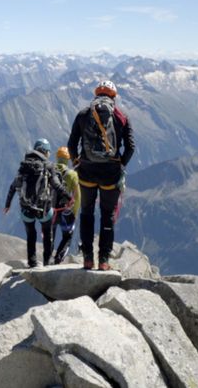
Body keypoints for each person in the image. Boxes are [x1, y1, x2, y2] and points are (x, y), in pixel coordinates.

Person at [67, 80, 135, 270]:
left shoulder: (84, 114)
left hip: (86, 173)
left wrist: (77, 162)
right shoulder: (122, 117)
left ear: (96, 95)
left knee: (87, 214)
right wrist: (120, 164)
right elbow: (131, 147)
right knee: (107, 216)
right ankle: (104, 260)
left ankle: (88, 258)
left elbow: (71, 144)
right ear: (114, 97)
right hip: (110, 176)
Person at [4, 138, 71, 268]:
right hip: (44, 208)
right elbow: (57, 185)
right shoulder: (49, 166)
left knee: (31, 234)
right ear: (45, 151)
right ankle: (47, 262)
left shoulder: (23, 166)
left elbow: (13, 187)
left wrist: (7, 205)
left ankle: (32, 261)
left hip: (26, 208)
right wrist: (69, 197)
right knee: (47, 233)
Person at [52, 146, 80, 264]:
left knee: (50, 236)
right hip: (66, 211)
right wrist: (75, 212)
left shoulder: (49, 170)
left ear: (57, 157)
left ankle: (46, 258)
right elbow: (77, 196)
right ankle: (58, 258)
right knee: (67, 236)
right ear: (68, 159)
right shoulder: (72, 175)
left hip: (50, 210)